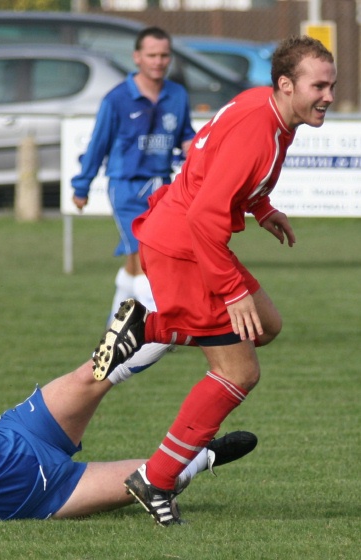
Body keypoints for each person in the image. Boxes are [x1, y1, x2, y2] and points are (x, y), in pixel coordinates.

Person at [92, 36, 337, 525]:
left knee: (266, 324)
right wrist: (231, 288)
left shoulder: (269, 110)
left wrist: (261, 208)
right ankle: (156, 479)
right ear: (287, 85)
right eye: (320, 86)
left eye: (332, 85)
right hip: (186, 246)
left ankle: (150, 329)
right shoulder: (258, 128)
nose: (329, 95)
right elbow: (206, 214)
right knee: (239, 372)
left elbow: (216, 171)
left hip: (188, 238)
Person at [0, 266, 257, 527]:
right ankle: (206, 456)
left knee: (95, 371)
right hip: (51, 491)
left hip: (28, 429)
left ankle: (170, 323)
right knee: (155, 478)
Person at [71, 26, 196, 319]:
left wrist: (195, 148)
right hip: (125, 187)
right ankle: (157, 326)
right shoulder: (116, 99)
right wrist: (82, 186)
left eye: (164, 55)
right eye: (151, 55)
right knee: (145, 253)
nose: (158, 61)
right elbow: (98, 144)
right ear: (137, 57)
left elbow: (185, 134)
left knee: (140, 256)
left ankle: (113, 327)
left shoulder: (177, 95)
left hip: (162, 187)